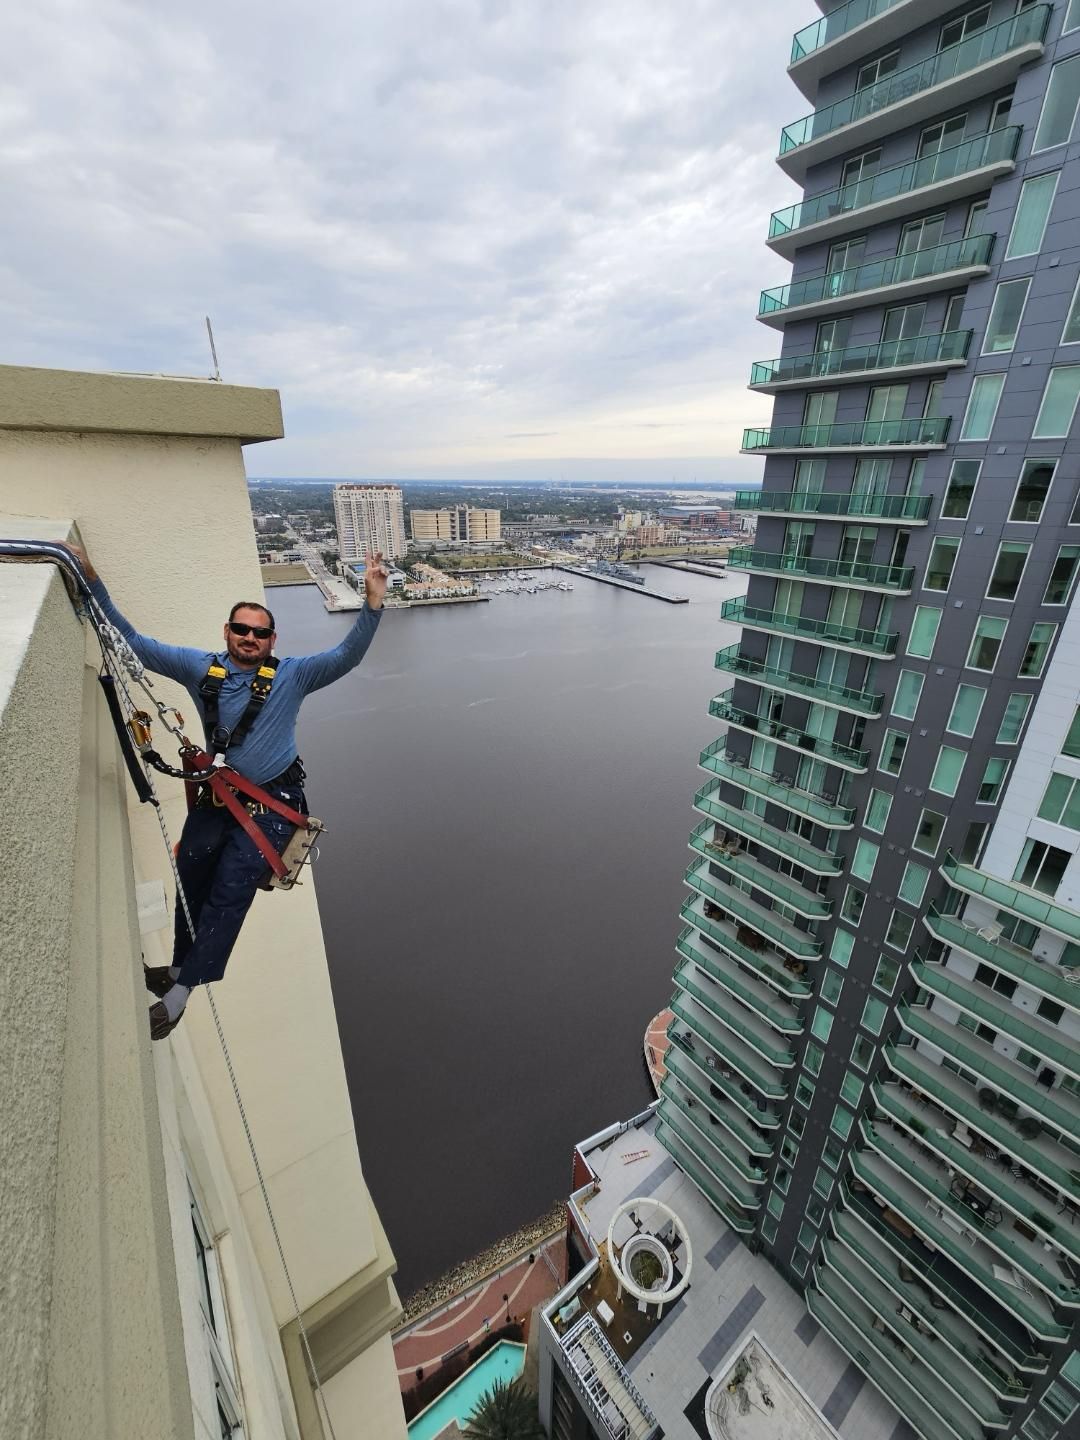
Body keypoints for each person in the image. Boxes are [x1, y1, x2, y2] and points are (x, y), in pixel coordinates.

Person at [65, 543, 388, 1040]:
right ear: (227, 633)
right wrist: (90, 579)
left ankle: (179, 994)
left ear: (272, 639)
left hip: (274, 803)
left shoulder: (292, 676)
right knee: (190, 875)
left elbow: (347, 656)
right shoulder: (202, 669)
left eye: (260, 633)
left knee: (230, 888)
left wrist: (372, 604)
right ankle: (177, 968)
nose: (250, 638)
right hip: (221, 797)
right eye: (242, 629)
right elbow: (133, 643)